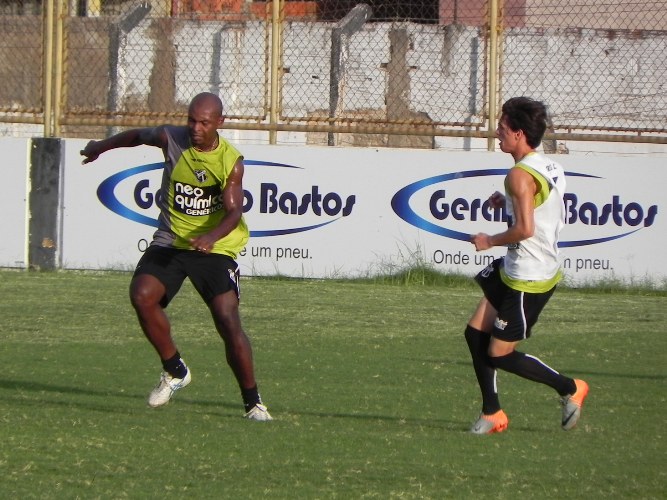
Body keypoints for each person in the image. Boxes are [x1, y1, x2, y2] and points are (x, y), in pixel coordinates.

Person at [80, 92, 272, 421]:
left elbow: (234, 210)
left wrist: (211, 237)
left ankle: (253, 403)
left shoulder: (230, 161)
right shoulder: (172, 138)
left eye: (204, 123)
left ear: (219, 123)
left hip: (214, 247)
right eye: (191, 120)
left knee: (227, 320)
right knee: (142, 295)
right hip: (171, 241)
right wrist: (101, 146)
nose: (195, 128)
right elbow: (138, 136)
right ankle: (175, 370)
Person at [465, 96, 587, 434]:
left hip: (528, 278)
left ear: (519, 134)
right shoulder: (548, 166)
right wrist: (506, 202)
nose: (496, 133)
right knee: (474, 332)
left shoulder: (519, 175)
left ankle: (570, 388)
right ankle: (492, 414)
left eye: (502, 128)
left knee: (500, 354)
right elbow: (540, 207)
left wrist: (488, 240)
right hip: (516, 267)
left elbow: (525, 229)